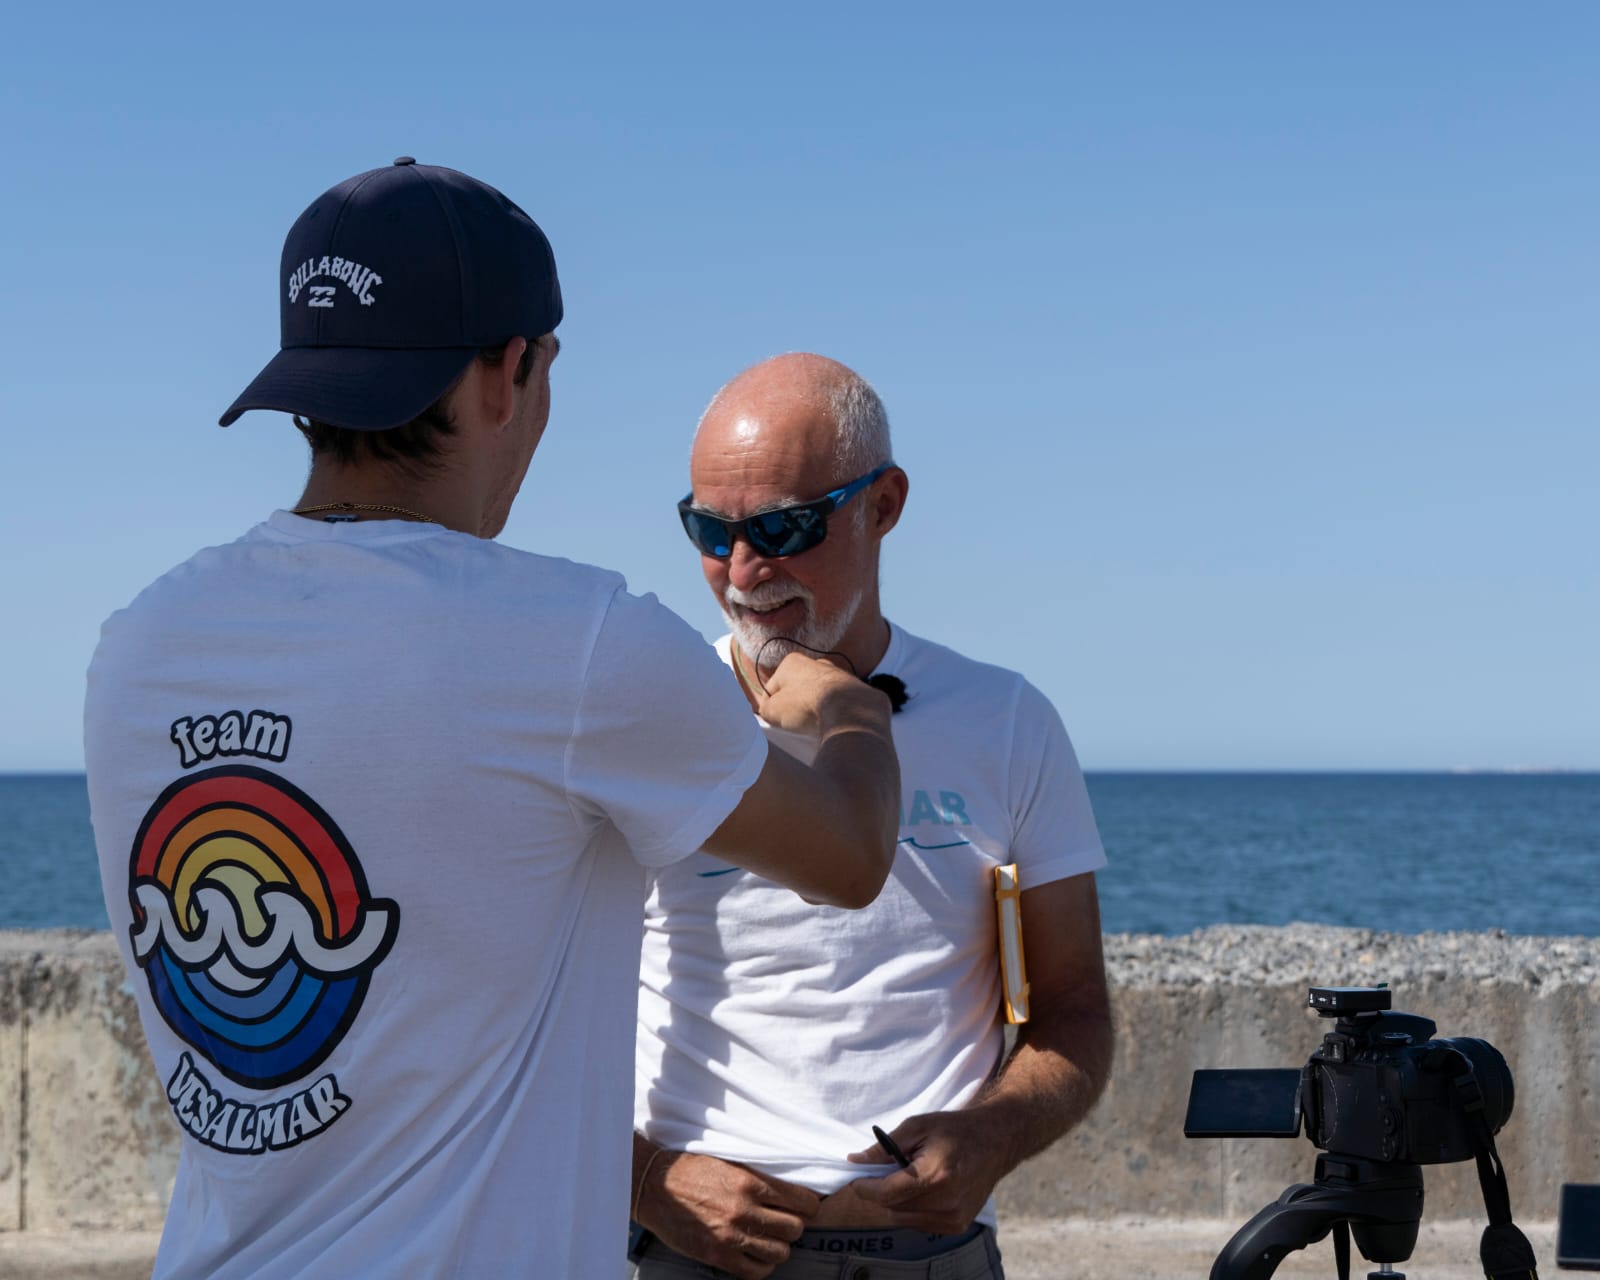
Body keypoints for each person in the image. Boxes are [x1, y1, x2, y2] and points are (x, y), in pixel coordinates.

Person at [83, 162, 900, 1280]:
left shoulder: (139, 644)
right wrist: (842, 706)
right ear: (510, 371)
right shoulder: (577, 642)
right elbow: (850, 852)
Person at [630, 354, 1113, 1280]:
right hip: (699, 1254)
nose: (741, 572)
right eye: (708, 530)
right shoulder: (647, 718)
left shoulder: (1005, 721)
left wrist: (990, 1136)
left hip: (933, 1252)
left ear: (882, 505)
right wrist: (648, 1180)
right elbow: (526, 1009)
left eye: (782, 526)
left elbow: (1074, 1010)